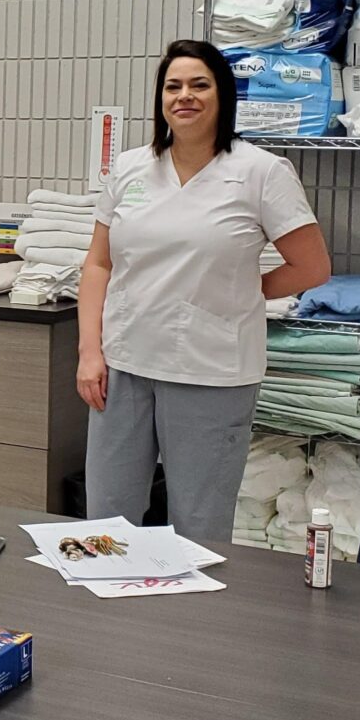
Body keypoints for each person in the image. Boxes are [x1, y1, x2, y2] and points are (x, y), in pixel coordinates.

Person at [77, 40, 332, 544]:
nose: (184, 96)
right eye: (173, 86)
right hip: (124, 365)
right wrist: (90, 352)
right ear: (160, 98)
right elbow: (99, 264)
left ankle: (190, 600)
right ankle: (105, 597)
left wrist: (245, 289)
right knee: (106, 520)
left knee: (198, 526)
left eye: (200, 85)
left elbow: (312, 266)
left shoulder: (261, 172)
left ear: (223, 96)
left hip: (211, 372)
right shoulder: (130, 168)